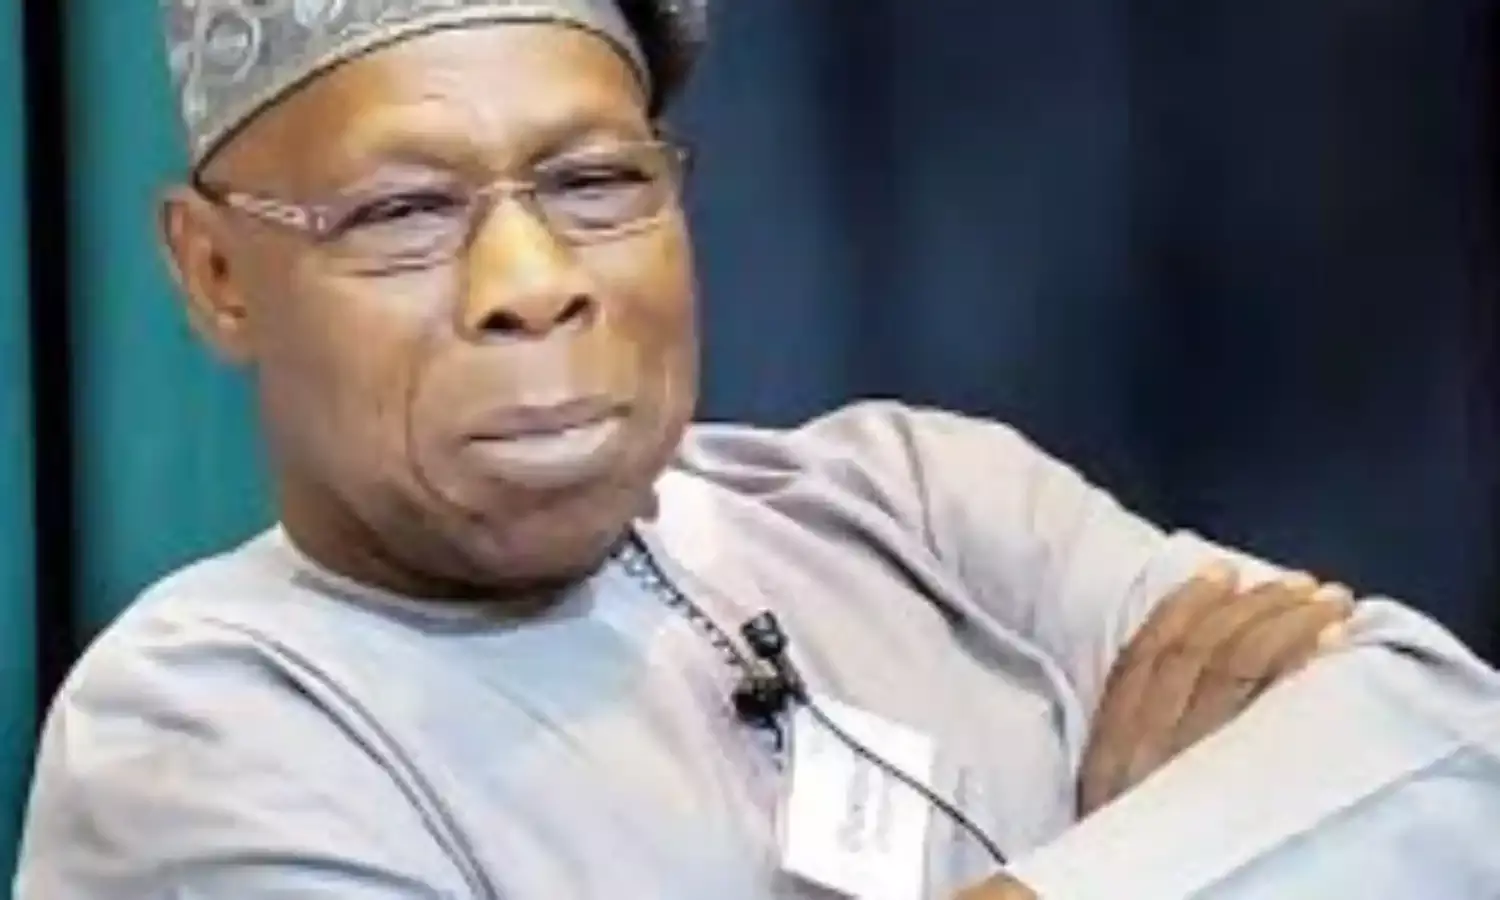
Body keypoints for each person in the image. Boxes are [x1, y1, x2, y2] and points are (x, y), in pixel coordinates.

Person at [14, 2, 1500, 897]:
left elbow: (1452, 750)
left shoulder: (913, 503)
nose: (533, 281)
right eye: (404, 210)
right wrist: (1193, 851)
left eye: (596, 181)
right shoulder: (194, 730)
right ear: (215, 273)